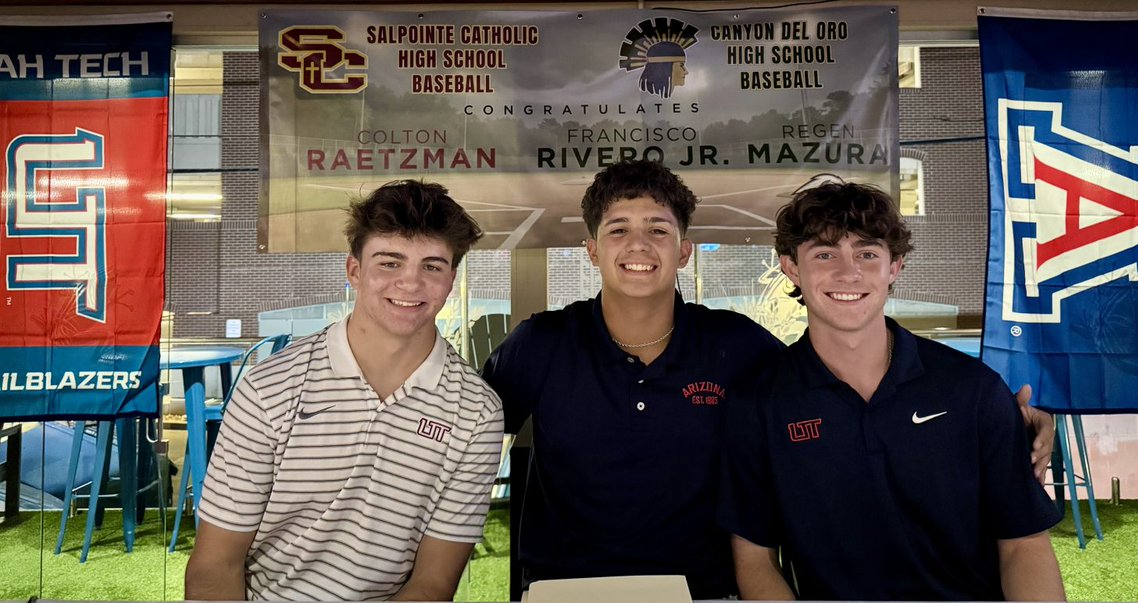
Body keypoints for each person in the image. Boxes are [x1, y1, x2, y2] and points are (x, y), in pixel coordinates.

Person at [481, 160, 1055, 599]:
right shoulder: (542, 343)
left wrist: (1015, 424)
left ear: (685, 251)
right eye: (618, 230)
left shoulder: (737, 347)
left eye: (657, 229)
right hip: (564, 588)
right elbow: (465, 420)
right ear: (590, 249)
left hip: (702, 591)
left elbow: (832, 374)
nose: (638, 245)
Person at [718, 181, 1065, 601]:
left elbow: (1023, 543)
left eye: (867, 254)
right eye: (825, 254)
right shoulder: (759, 402)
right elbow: (754, 558)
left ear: (894, 266)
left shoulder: (972, 389)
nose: (849, 273)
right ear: (791, 268)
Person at [185, 180, 504, 601]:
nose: (410, 284)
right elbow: (215, 565)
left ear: (450, 280)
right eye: (390, 263)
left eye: (431, 266)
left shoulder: (476, 411)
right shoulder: (270, 388)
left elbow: (433, 584)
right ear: (354, 271)